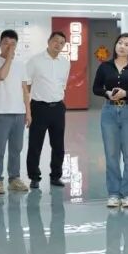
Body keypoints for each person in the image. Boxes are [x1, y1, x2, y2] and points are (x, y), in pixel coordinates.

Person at [93, 33, 128, 208]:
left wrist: (126, 93)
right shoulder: (105, 66)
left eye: (127, 44)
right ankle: (114, 193)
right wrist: (107, 93)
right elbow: (96, 88)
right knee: (111, 155)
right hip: (109, 111)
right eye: (120, 43)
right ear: (115, 45)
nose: (122, 46)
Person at [24, 31, 72, 189]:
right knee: (35, 144)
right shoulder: (35, 60)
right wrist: (27, 109)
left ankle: (56, 176)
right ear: (49, 41)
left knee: (58, 145)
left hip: (58, 108)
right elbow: (26, 85)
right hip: (39, 107)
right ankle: (34, 177)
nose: (58, 44)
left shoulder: (65, 63)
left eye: (62, 43)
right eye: (56, 41)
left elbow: (63, 84)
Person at [0, 29, 30, 195]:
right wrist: (9, 58)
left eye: (13, 44)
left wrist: (28, 112)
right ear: (0, 44)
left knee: (16, 149)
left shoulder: (21, 65)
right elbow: (2, 76)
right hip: (1, 113)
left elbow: (25, 90)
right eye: (6, 43)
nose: (10, 47)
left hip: (19, 113)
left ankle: (14, 179)